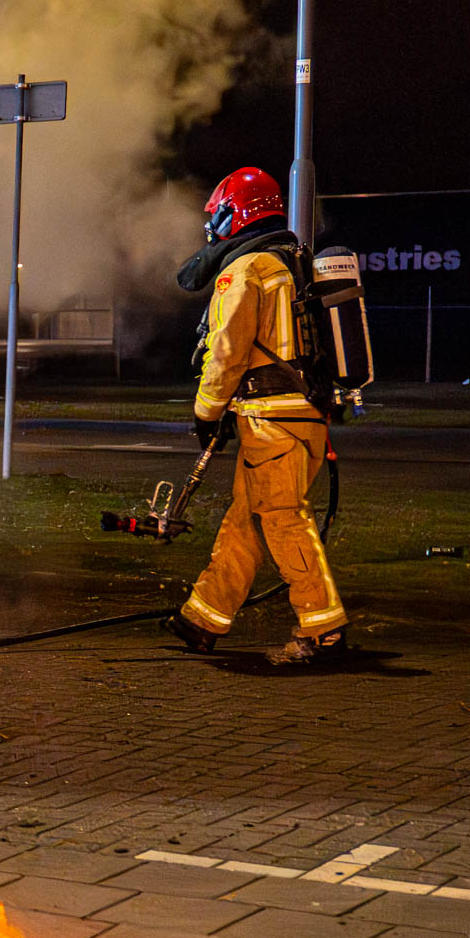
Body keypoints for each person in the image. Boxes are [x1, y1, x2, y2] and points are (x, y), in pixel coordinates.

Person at [167, 166, 346, 666]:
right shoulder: (292, 263)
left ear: (235, 212)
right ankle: (203, 619)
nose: (213, 226)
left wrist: (207, 411)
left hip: (273, 420)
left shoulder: (244, 271)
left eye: (218, 214)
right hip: (299, 415)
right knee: (246, 521)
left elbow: (227, 351)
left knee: (285, 522)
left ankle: (324, 629)